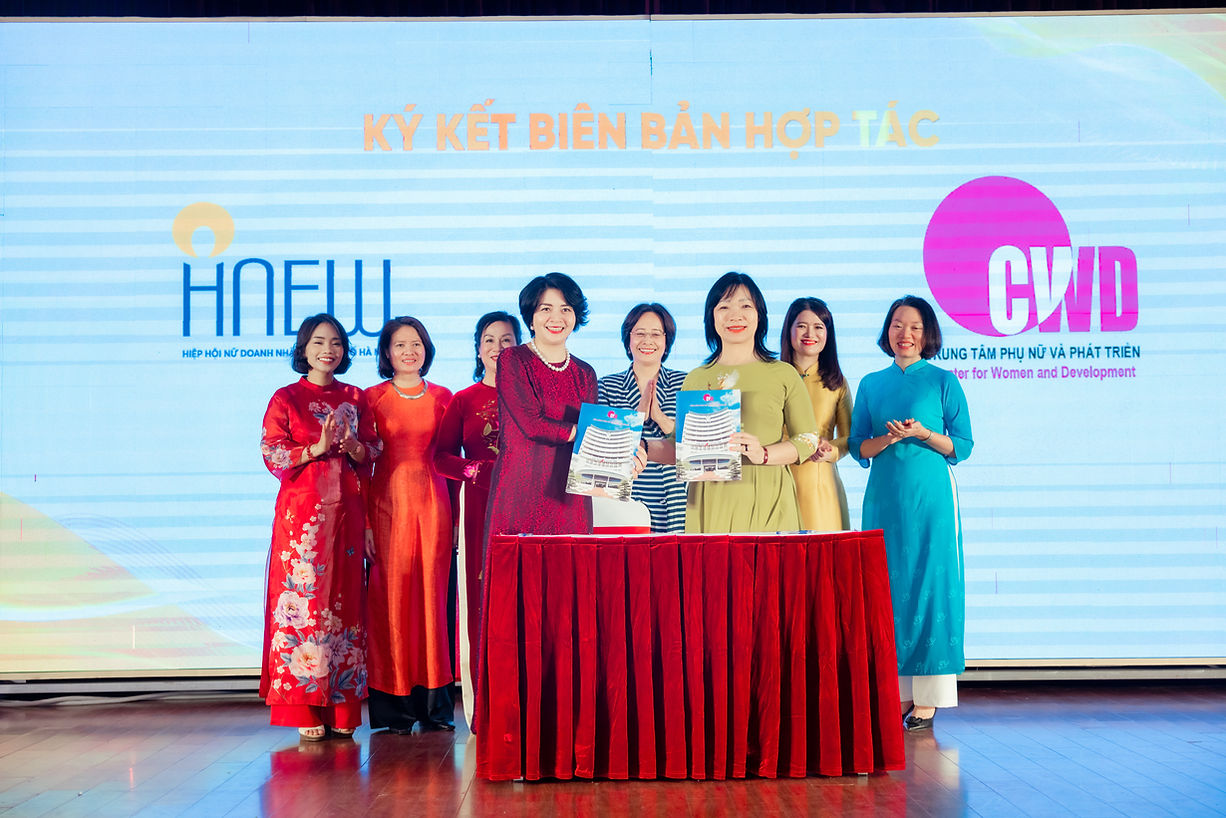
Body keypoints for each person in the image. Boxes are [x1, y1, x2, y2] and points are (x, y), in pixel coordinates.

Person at [847, 295, 973, 732]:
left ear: (927, 334)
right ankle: (895, 690)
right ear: (887, 331)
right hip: (884, 499)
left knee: (931, 586)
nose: (906, 334)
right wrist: (888, 439)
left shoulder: (943, 381)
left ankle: (928, 699)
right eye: (898, 325)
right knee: (886, 587)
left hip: (932, 498)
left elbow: (962, 445)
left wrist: (923, 433)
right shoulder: (870, 384)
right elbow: (858, 447)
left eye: (915, 327)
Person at [259, 313, 381, 742]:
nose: (328, 350)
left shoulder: (355, 396)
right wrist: (317, 448)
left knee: (344, 606)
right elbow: (272, 452)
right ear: (304, 349)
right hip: (302, 521)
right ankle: (304, 706)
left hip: (347, 514)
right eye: (318, 342)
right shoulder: (286, 397)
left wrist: (353, 447)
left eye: (336, 343)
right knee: (304, 605)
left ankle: (342, 708)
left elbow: (374, 451)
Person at [662, 272, 821, 534]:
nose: (735, 315)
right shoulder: (697, 378)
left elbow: (808, 439)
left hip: (769, 499)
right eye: (724, 307)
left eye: (745, 306)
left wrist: (764, 454)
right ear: (711, 318)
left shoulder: (783, 373)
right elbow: (677, 447)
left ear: (760, 315)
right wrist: (640, 447)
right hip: (711, 500)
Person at [365, 316, 455, 732]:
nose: (409, 351)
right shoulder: (372, 398)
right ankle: (396, 707)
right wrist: (366, 523)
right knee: (392, 601)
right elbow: (362, 464)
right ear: (387, 352)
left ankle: (436, 707)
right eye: (399, 345)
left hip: (435, 506)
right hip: (387, 509)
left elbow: (451, 460)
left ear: (426, 348)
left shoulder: (443, 397)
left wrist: (459, 518)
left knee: (433, 603)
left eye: (416, 343)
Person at [433, 310, 522, 688]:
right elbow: (440, 458)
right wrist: (477, 470)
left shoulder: (532, 401)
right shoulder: (463, 401)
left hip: (525, 506)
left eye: (506, 340)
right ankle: (484, 695)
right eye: (489, 340)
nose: (498, 347)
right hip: (478, 510)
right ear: (478, 349)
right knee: (481, 597)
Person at [484, 273, 599, 544]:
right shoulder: (513, 360)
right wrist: (586, 432)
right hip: (521, 495)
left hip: (571, 500)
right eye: (545, 309)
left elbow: (591, 442)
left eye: (565, 309)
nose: (556, 318)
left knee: (569, 568)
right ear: (531, 317)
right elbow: (532, 425)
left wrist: (624, 451)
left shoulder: (585, 373)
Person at [597, 303, 687, 533]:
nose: (648, 341)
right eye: (640, 333)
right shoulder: (606, 386)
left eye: (656, 334)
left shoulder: (686, 383)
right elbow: (599, 452)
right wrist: (636, 417)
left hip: (676, 504)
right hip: (625, 505)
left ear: (666, 340)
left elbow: (697, 445)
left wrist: (659, 417)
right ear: (628, 338)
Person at [779, 297, 852, 531]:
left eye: (819, 327)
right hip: (778, 482)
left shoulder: (837, 383)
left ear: (828, 334)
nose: (810, 333)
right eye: (801, 326)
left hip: (822, 488)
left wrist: (830, 450)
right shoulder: (773, 378)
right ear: (789, 330)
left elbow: (851, 438)